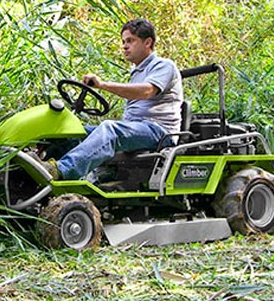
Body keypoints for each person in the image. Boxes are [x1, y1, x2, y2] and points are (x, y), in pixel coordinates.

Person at [46, 19, 183, 180]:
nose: (125, 46)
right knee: (72, 132)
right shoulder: (137, 71)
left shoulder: (164, 66)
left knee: (110, 129)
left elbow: (147, 91)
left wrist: (103, 85)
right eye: (123, 42)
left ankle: (61, 171)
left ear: (147, 42)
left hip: (159, 131)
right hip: (136, 128)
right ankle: (41, 170)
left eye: (130, 41)